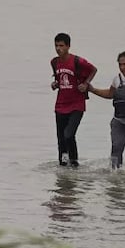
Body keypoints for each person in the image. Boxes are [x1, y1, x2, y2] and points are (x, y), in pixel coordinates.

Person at [50, 33, 98, 167]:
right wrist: (55, 84)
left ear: (68, 46)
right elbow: (59, 79)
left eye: (61, 46)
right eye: (56, 45)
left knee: (69, 135)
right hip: (60, 104)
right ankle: (63, 164)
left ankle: (74, 162)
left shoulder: (78, 61)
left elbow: (93, 69)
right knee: (61, 138)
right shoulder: (54, 62)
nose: (58, 48)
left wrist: (86, 84)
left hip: (77, 104)